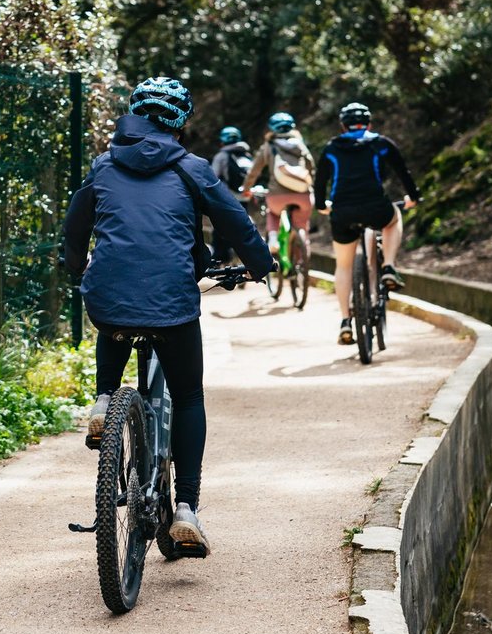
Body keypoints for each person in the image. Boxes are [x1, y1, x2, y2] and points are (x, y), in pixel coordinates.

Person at [61, 77, 270, 556]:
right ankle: (186, 509)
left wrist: (76, 266)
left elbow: (76, 223)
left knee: (112, 316)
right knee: (189, 394)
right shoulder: (192, 168)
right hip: (173, 306)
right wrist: (259, 264)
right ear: (180, 120)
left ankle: (103, 400)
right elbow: (234, 221)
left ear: (133, 114)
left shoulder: (104, 165)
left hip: (108, 297)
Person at [313, 102, 421, 346]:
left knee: (343, 265)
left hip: (342, 212)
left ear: (343, 126)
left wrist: (322, 205)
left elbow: (320, 183)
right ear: (369, 124)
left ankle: (344, 321)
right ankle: (390, 267)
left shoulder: (332, 148)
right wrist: (413, 197)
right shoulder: (381, 143)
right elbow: (403, 172)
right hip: (375, 207)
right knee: (393, 219)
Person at [239, 111, 316, 261]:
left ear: (272, 128)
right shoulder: (299, 144)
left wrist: (247, 188)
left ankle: (273, 239)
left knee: (273, 213)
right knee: (301, 224)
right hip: (303, 193)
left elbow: (254, 171)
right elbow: (310, 165)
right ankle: (302, 256)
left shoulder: (269, 146)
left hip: (277, 195)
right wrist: (310, 183)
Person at [209, 125, 253, 264]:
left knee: (220, 228)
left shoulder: (221, 156)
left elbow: (212, 177)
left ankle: (219, 258)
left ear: (222, 140)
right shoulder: (247, 155)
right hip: (244, 198)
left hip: (226, 199)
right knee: (242, 226)